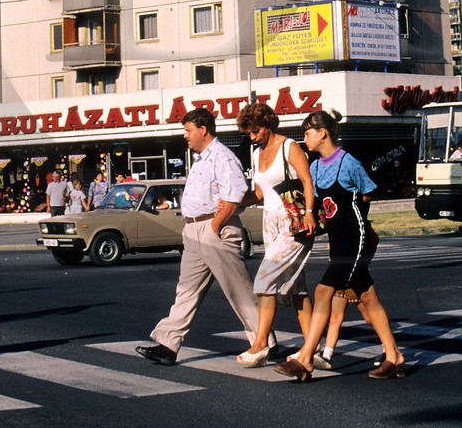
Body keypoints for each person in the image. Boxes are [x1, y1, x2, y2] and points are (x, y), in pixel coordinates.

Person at [276, 109, 406, 382]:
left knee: (323, 291)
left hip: (355, 238)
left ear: (323, 133)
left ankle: (306, 359)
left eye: (308, 133)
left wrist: (353, 212)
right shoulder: (314, 166)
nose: (306, 139)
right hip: (337, 242)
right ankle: (394, 356)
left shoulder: (349, 163)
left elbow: (368, 191)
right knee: (368, 298)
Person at [136, 108, 264, 367]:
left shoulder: (222, 157)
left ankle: (265, 342)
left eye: (188, 130)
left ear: (203, 129)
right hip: (194, 230)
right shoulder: (202, 158)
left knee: (238, 291)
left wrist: (215, 226)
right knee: (186, 290)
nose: (185, 136)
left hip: (213, 228)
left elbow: (235, 194)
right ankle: (168, 345)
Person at [234, 102, 317, 368]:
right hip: (269, 220)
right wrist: (236, 202)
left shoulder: (289, 147)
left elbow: (306, 180)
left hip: (293, 221)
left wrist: (310, 213)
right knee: (297, 288)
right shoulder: (256, 153)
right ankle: (311, 347)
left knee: (264, 280)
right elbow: (260, 192)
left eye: (255, 130)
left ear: (268, 125)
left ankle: (260, 345)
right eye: (249, 132)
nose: (252, 136)